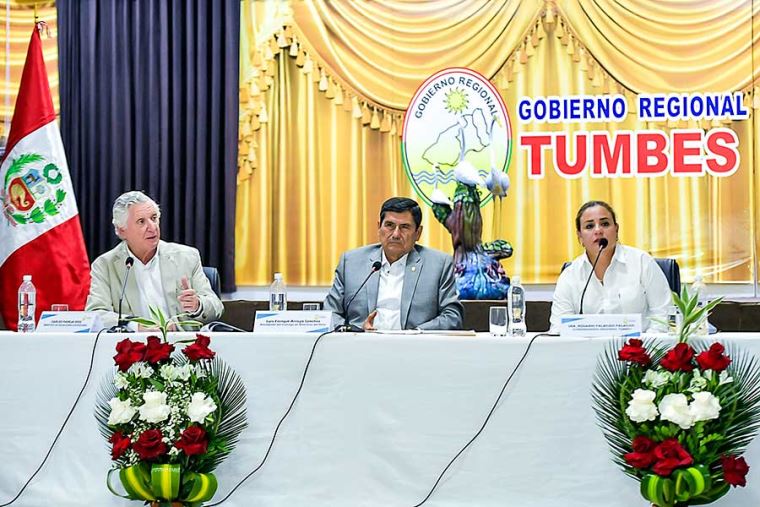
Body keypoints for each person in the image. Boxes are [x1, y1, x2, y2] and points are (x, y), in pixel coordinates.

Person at [86, 191, 223, 329]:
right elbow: (96, 314)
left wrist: (197, 305)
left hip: (182, 340)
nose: (152, 227)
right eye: (141, 221)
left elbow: (216, 307)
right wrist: (136, 326)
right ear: (122, 230)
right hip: (133, 341)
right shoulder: (105, 265)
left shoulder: (186, 257)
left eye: (154, 218)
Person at [324, 197, 463, 331]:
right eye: (389, 225)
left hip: (414, 345)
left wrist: (415, 333)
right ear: (379, 228)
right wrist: (355, 331)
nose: (396, 234)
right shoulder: (351, 262)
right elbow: (330, 313)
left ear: (418, 233)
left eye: (404, 227)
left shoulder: (438, 265)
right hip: (361, 343)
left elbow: (452, 317)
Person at [550, 200, 671, 333]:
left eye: (605, 224)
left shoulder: (642, 262)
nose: (598, 230)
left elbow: (663, 316)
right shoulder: (569, 276)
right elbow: (559, 328)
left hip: (641, 345)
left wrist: (642, 345)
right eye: (589, 226)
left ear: (616, 229)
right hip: (587, 346)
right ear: (580, 236)